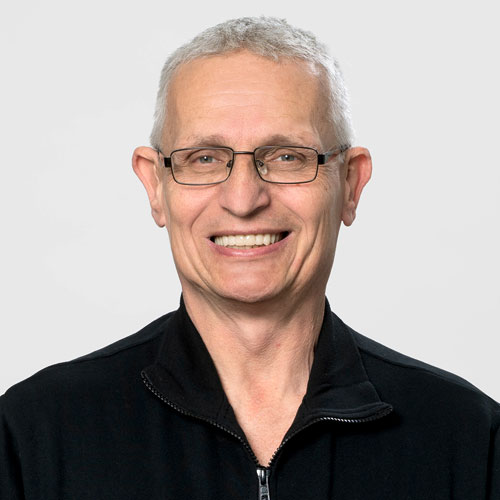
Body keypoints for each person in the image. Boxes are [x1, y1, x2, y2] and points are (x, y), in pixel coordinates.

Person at [1, 16, 498, 499]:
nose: (243, 200)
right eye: (204, 158)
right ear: (155, 186)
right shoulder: (31, 437)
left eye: (287, 157)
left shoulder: (471, 441)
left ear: (350, 184)